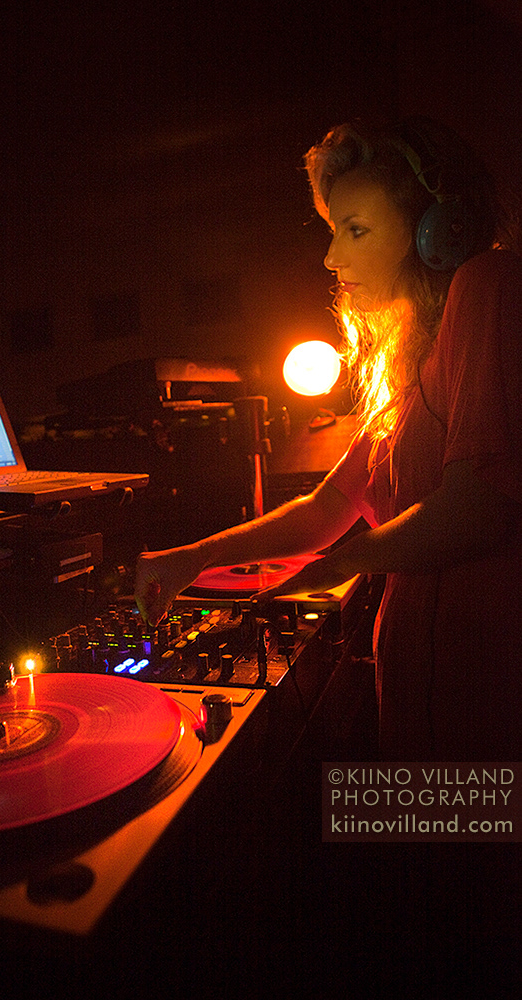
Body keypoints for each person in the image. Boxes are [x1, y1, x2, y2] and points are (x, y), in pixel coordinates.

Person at [135, 117, 522, 761]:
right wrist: (190, 559)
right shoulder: (410, 365)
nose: (331, 256)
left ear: (437, 229)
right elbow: (327, 508)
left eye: (356, 229)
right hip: (422, 707)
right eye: (333, 230)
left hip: (483, 710)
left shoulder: (488, 284)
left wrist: (341, 564)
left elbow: (475, 508)